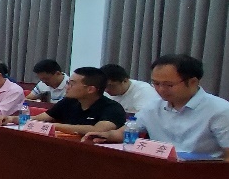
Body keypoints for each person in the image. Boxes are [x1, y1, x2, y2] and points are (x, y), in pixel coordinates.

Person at [86, 55, 229, 159]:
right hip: (158, 169)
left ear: (193, 82)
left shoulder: (220, 110)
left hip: (198, 175)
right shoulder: (153, 106)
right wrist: (106, 135)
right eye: (156, 83)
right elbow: (126, 132)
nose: (160, 89)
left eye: (168, 85)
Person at [0, 67, 126, 135]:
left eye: (72, 84)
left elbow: (98, 130)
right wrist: (12, 119)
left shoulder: (112, 108)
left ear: (90, 89)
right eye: (68, 83)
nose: (67, 87)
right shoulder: (69, 102)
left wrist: (54, 126)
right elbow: (41, 118)